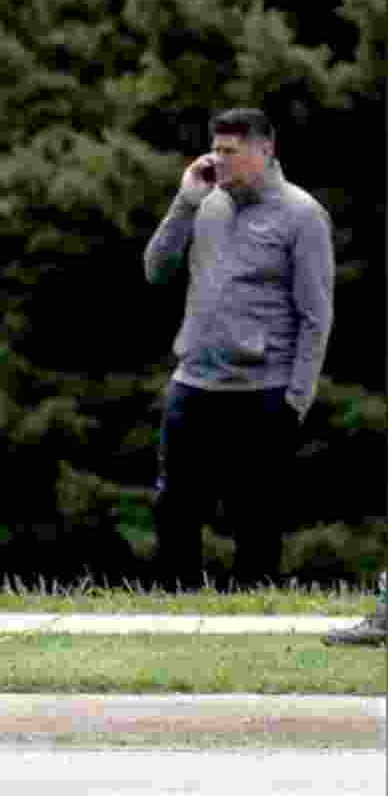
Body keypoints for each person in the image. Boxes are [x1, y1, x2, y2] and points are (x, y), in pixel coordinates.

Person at [142, 107, 334, 589]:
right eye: (216, 149)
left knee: (257, 517)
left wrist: (296, 399)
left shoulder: (303, 215)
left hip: (264, 392)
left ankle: (254, 609)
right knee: (174, 506)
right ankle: (177, 606)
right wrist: (184, 203)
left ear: (265, 151)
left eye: (231, 151)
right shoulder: (204, 204)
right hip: (193, 382)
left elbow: (316, 316)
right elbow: (156, 270)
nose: (219, 161)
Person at [323, 572, 388, 646]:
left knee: (367, 632)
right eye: (381, 581)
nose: (380, 584)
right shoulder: (382, 599)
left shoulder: (383, 600)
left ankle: (336, 636)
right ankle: (337, 636)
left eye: (382, 582)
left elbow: (378, 623)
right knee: (365, 630)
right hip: (376, 628)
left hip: (378, 630)